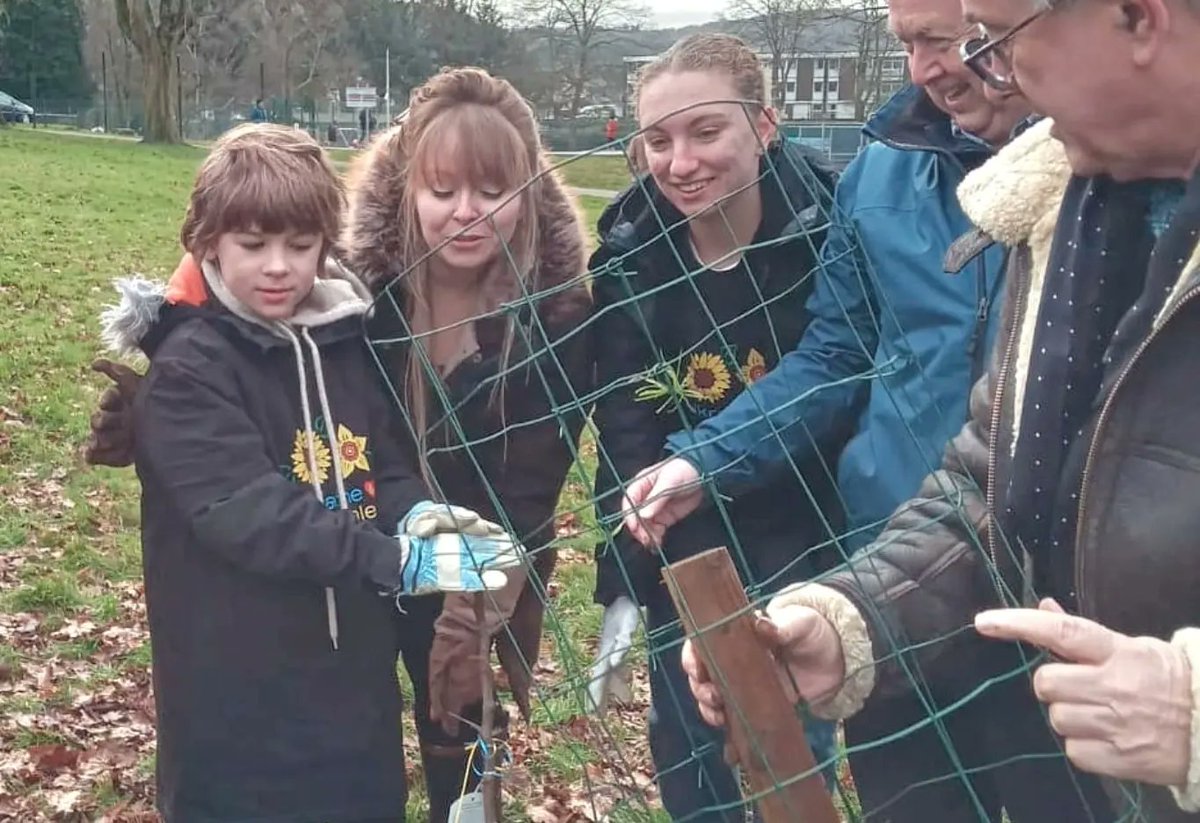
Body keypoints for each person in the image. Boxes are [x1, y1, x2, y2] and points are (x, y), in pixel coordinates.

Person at [683, 0, 1200, 819]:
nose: (992, 71)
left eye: (993, 39)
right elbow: (996, 486)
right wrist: (850, 623)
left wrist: (1192, 715)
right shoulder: (1071, 204)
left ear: (1139, 19)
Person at [87, 71, 593, 822]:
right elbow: (250, 509)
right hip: (239, 678)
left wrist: (422, 516)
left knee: (393, 775)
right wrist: (397, 557)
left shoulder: (344, 338)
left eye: (300, 244)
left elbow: (381, 455)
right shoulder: (211, 363)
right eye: (254, 245)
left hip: (361, 658)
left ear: (327, 247)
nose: (279, 266)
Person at [615, 0, 1057, 818]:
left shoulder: (1120, 164)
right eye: (908, 44)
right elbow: (835, 355)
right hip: (902, 573)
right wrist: (703, 458)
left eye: (952, 39)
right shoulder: (879, 172)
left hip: (1068, 591)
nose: (928, 68)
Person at [586, 33, 845, 821]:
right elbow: (627, 423)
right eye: (657, 141)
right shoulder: (632, 259)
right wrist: (633, 577)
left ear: (764, 125)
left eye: (706, 132)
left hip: (810, 538)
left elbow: (840, 386)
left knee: (790, 760)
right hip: (686, 546)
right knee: (690, 760)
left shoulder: (828, 231)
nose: (680, 162)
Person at [341, 66, 593, 820]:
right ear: (407, 189)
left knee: (458, 726)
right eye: (442, 189)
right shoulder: (357, 301)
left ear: (528, 190)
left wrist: (469, 608)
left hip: (488, 565)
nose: (466, 212)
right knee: (352, 734)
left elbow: (531, 487)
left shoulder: (559, 316)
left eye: (491, 190)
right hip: (367, 546)